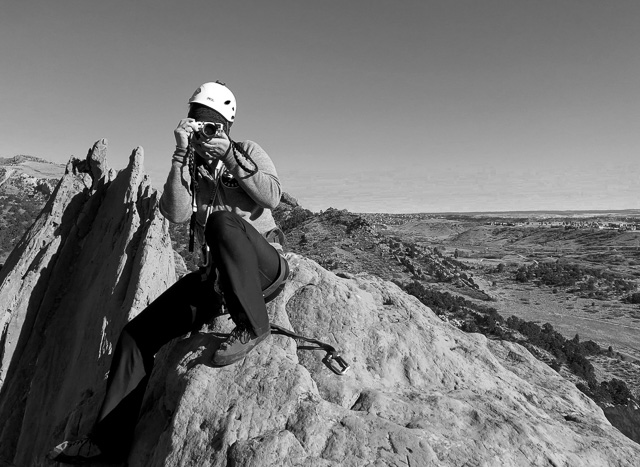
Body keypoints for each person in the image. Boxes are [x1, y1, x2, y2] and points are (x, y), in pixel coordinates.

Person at [48, 81, 287, 464]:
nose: (205, 130)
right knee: (135, 336)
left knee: (223, 222)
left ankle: (254, 326)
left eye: (211, 124)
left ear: (227, 124)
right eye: (197, 122)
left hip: (264, 269)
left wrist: (229, 157)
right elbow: (173, 213)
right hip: (218, 280)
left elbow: (271, 195)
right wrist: (179, 155)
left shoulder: (247, 151)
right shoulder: (190, 162)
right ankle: (106, 443)